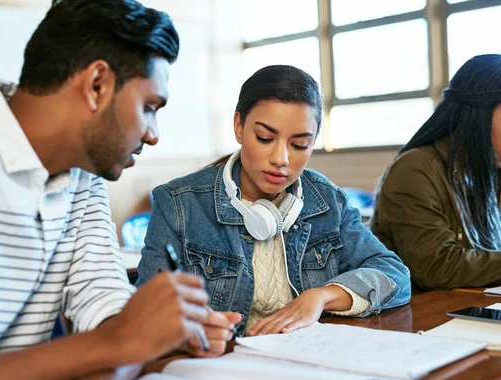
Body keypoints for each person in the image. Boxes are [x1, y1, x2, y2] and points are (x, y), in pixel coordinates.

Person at [0, 0, 237, 380]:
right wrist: (115, 343)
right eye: (149, 107)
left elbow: (110, 317)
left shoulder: (83, 178)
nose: (153, 134)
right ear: (97, 84)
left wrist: (110, 375)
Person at [136, 65, 411, 343]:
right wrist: (189, 332)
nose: (281, 159)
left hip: (310, 361)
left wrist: (321, 297)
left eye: (300, 145)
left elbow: (395, 275)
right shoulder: (179, 204)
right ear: (239, 126)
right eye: (265, 138)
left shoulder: (327, 201)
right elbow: (143, 314)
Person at [371, 54, 501, 292]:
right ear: (479, 114)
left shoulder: (491, 171)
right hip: (416, 318)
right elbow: (437, 267)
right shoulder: (415, 168)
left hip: (466, 307)